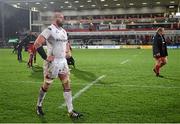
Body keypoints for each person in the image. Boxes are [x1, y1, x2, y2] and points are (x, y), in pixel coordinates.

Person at [34, 12, 82, 118]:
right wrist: (45, 57)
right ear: (55, 18)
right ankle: (39, 105)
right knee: (46, 85)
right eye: (61, 18)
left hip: (63, 62)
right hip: (53, 63)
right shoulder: (49, 30)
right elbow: (37, 43)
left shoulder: (64, 31)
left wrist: (68, 52)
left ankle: (71, 111)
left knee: (67, 84)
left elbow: (66, 44)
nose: (63, 19)